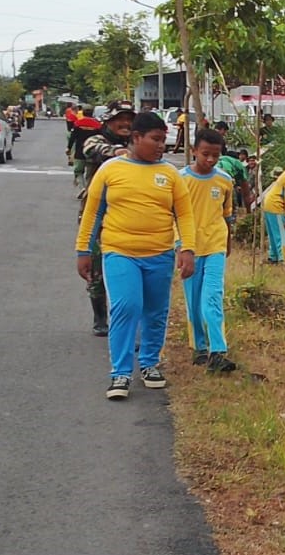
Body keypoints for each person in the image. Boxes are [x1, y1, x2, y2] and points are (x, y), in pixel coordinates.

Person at [76, 111, 197, 401]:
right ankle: (120, 372)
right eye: (155, 139)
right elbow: (93, 213)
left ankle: (149, 364)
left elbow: (184, 215)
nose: (161, 146)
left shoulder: (170, 174)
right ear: (136, 137)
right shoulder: (110, 170)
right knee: (126, 306)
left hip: (159, 254)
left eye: (163, 140)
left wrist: (188, 249)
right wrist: (83, 250)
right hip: (119, 252)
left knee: (156, 311)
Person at [180, 129, 238, 373]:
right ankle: (199, 346)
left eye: (216, 155)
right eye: (205, 154)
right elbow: (174, 217)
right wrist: (180, 247)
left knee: (212, 296)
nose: (211, 159)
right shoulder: (181, 180)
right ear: (194, 151)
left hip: (215, 244)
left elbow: (227, 214)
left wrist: (228, 241)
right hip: (190, 248)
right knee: (193, 300)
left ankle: (218, 351)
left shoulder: (224, 180)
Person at [78, 100, 136, 338]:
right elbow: (92, 149)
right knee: (96, 268)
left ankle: (128, 318)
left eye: (129, 120)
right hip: (98, 215)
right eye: (119, 119)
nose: (125, 124)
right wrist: (118, 153)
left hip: (128, 215)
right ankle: (100, 317)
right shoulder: (97, 140)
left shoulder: (138, 143)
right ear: (108, 121)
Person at [69, 108, 103, 189]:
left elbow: (72, 137)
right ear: (92, 114)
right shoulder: (98, 125)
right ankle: (88, 190)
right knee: (90, 174)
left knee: (78, 171)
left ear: (83, 114)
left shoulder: (78, 123)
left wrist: (68, 147)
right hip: (92, 152)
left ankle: (82, 188)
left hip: (79, 152)